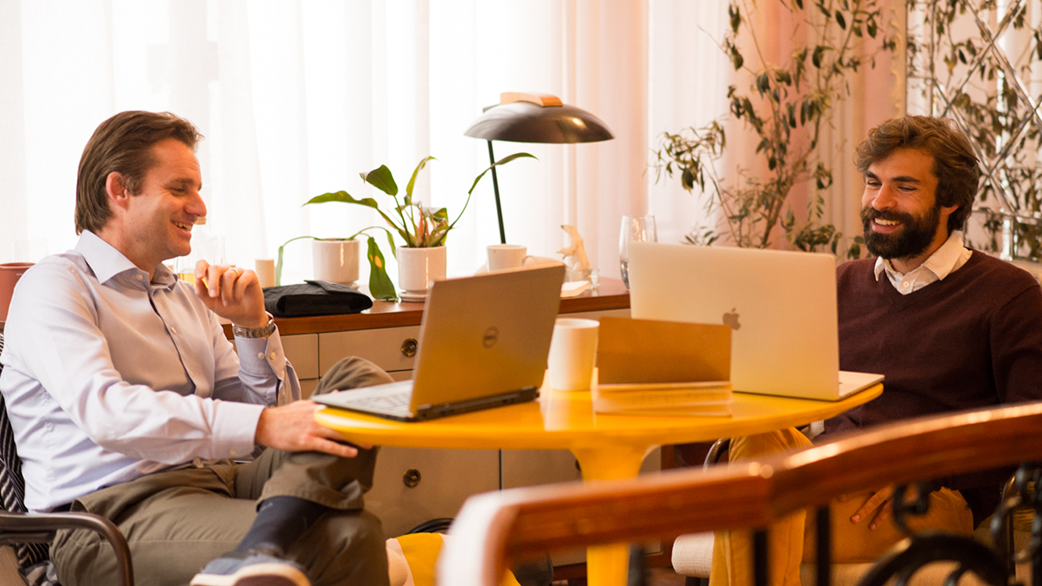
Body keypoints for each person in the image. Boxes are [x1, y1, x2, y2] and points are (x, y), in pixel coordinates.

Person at [0, 111, 392, 586]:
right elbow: (109, 414)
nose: (200, 207)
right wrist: (267, 423)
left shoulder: (185, 296)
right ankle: (262, 545)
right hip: (114, 516)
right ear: (119, 190)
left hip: (220, 481)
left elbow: (266, 423)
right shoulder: (55, 285)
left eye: (198, 189)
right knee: (350, 535)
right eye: (180, 188)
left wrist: (251, 326)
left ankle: (258, 545)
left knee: (358, 381)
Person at [710, 115, 1042, 586]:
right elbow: (791, 396)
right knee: (757, 444)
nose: (879, 202)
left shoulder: (1008, 293)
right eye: (872, 183)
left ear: (951, 200)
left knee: (753, 522)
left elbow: (1028, 426)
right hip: (830, 470)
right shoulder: (839, 283)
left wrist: (924, 468)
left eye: (904, 187)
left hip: (930, 491)